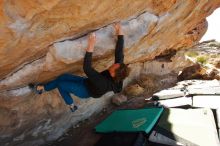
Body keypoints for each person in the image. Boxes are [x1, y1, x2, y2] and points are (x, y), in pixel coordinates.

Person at [30, 23, 130, 112]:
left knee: (61, 84)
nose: (112, 65)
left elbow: (87, 68)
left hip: (85, 91)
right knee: (62, 77)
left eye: (113, 67)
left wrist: (91, 45)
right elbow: (119, 53)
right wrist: (120, 32)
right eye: (115, 64)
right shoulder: (119, 71)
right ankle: (42, 89)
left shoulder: (104, 83)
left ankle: (71, 105)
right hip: (87, 82)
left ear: (113, 74)